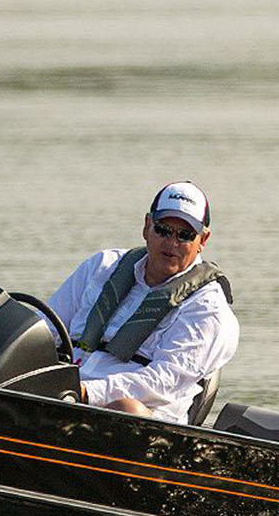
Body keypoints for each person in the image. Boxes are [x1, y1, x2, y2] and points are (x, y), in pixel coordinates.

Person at [45, 180, 239, 423]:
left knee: (127, 410)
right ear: (147, 226)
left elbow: (162, 383)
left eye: (185, 235)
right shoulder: (101, 266)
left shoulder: (208, 310)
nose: (172, 243)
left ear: (203, 240)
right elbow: (44, 330)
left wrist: (84, 392)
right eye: (163, 230)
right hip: (63, 396)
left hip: (141, 423)